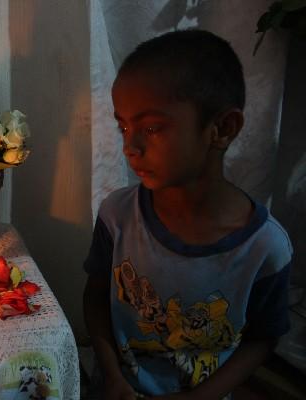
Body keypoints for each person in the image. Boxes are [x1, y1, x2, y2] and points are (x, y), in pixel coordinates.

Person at [83, 29, 292, 400]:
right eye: (123, 126)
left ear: (222, 129)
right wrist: (112, 374)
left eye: (150, 128)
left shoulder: (265, 248)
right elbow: (96, 296)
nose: (130, 146)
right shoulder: (117, 216)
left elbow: (263, 337)